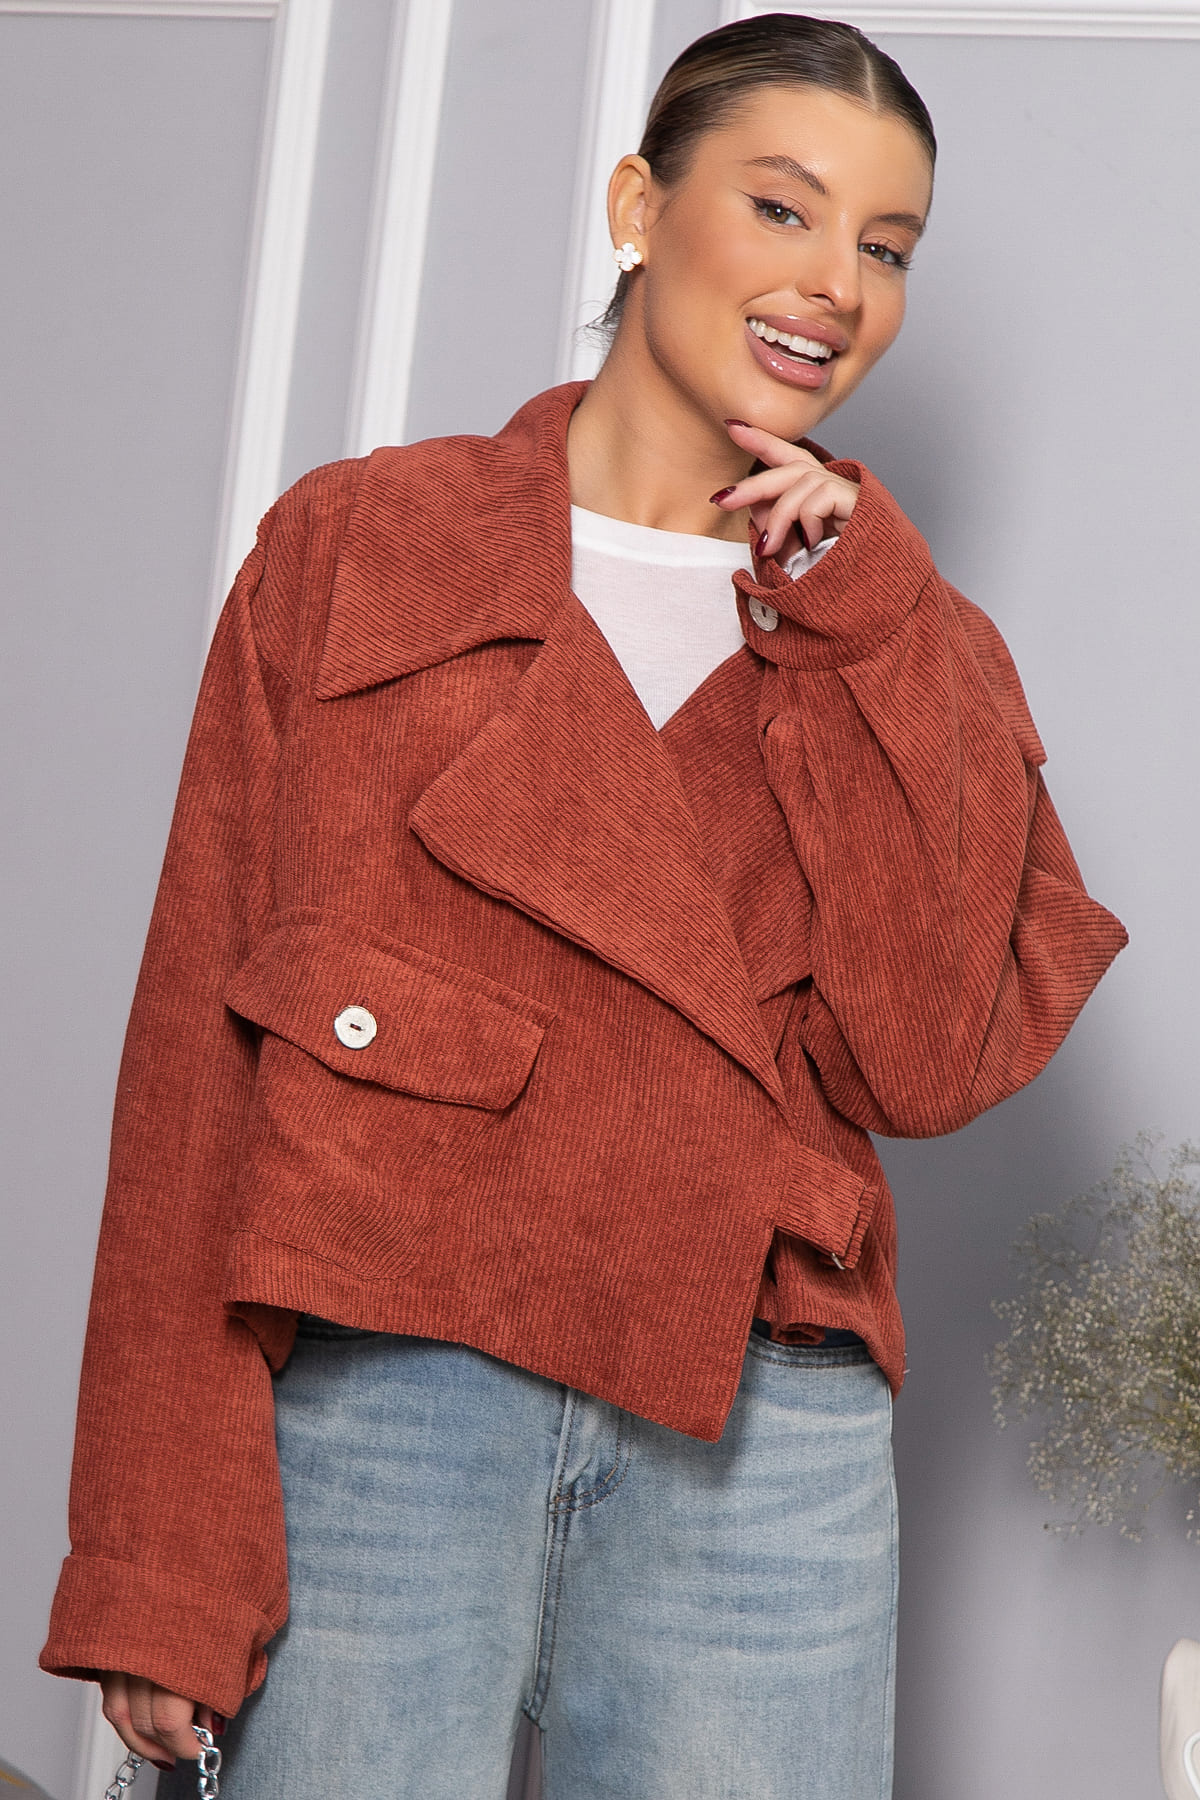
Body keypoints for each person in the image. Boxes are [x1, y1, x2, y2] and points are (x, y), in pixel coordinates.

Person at [40, 13, 1127, 1797]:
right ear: (638, 206)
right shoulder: (364, 546)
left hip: (758, 1433)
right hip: (388, 1394)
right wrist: (157, 1554)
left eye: (886, 247)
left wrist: (865, 622)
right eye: (781, 208)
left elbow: (927, 1061)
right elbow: (193, 1062)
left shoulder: (901, 638)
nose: (835, 283)